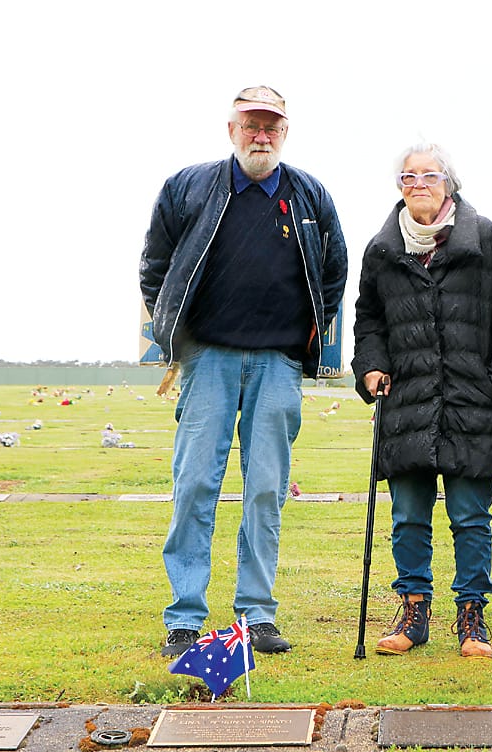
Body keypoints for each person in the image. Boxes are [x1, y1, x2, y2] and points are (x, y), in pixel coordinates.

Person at [139, 86, 348, 657]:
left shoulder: (310, 194)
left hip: (278, 364)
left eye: (272, 128)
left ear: (286, 133)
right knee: (195, 486)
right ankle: (184, 617)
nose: (262, 136)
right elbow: (156, 265)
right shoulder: (187, 187)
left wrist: (308, 333)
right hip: (208, 360)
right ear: (230, 130)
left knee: (265, 491)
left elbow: (333, 273)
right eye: (252, 125)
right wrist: (172, 334)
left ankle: (256, 615)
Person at [352, 143, 492, 658]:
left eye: (429, 174)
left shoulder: (486, 238)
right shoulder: (383, 249)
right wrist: (371, 365)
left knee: (471, 515)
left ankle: (472, 617)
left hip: (474, 400)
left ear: (450, 182)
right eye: (407, 176)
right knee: (408, 515)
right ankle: (414, 611)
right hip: (407, 400)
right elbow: (369, 318)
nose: (418, 183)